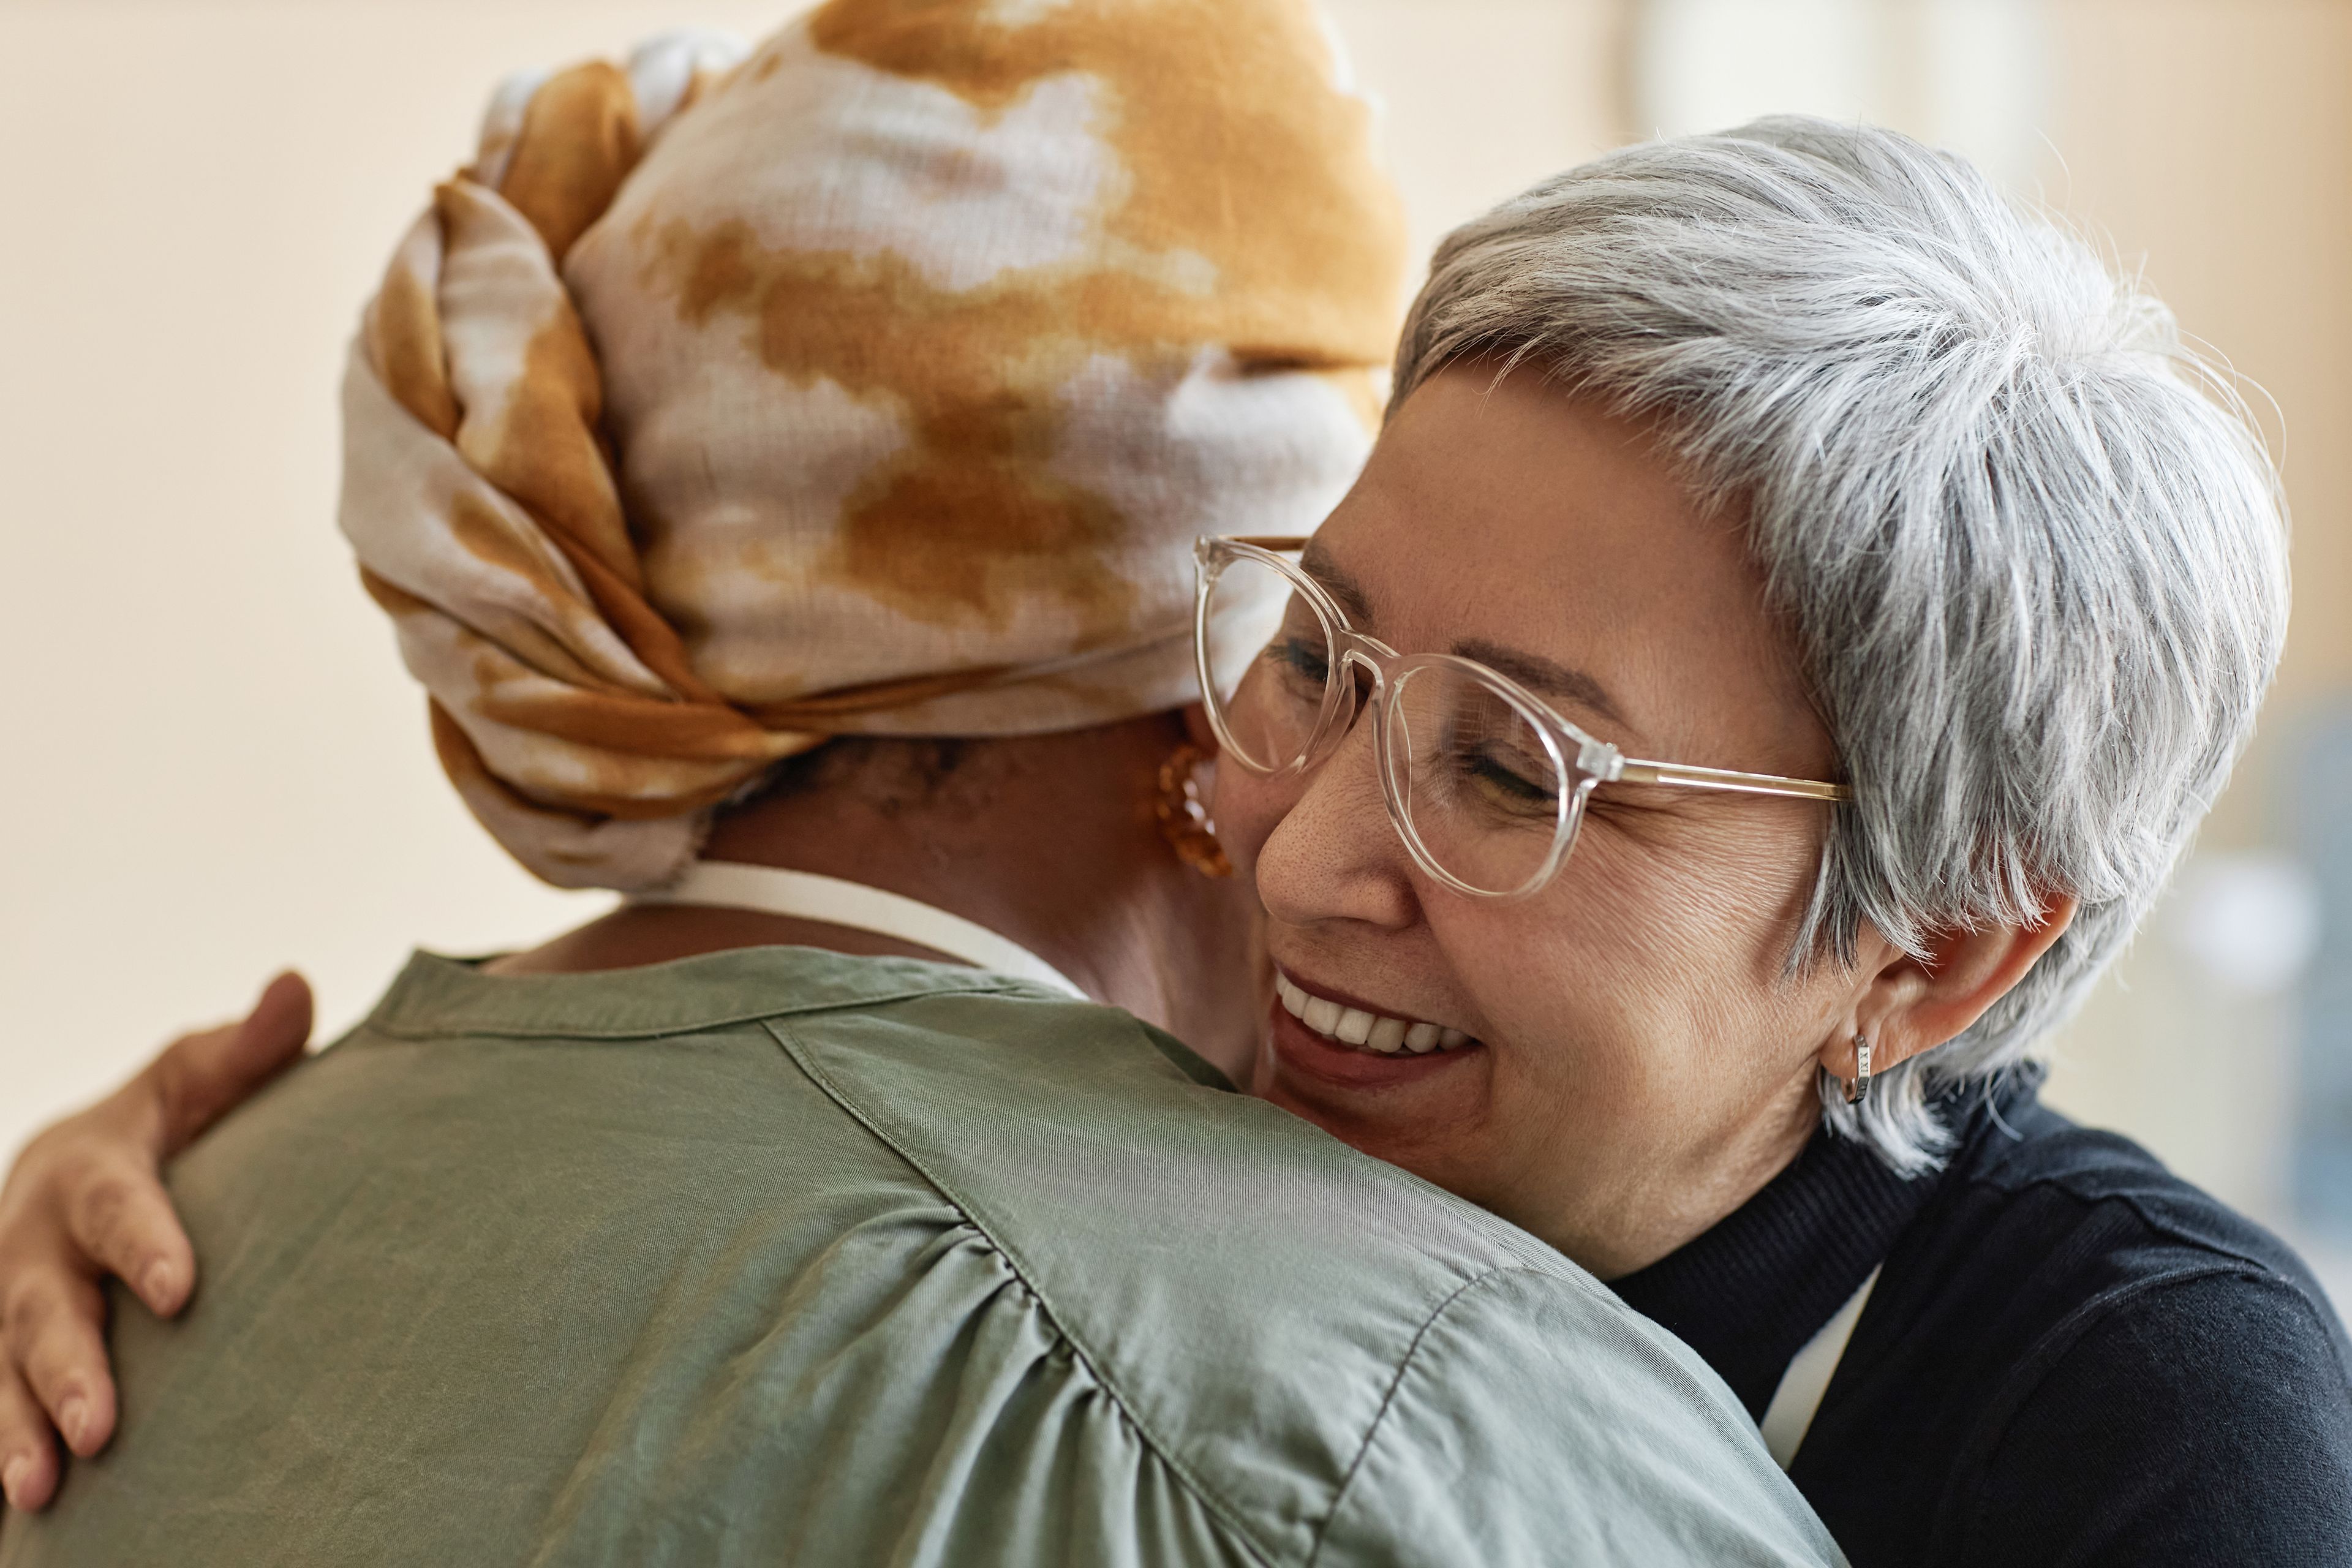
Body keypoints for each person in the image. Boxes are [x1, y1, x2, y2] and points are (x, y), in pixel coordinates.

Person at [10, 78, 2349, 1568]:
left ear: (1930, 959)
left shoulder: (2151, 1422)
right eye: (1319, 659)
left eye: (1512, 772)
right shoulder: (1217, 1087)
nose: (1299, 850)